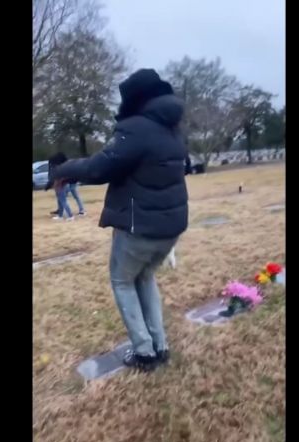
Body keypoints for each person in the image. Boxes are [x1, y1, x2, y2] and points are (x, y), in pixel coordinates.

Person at [52, 68, 188, 372]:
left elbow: (100, 167)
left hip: (140, 226)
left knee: (122, 281)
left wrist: (63, 169)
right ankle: (160, 346)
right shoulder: (173, 129)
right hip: (171, 227)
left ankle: (143, 352)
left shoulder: (137, 128)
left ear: (135, 100)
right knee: (145, 277)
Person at [44, 153, 74, 221]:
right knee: (60, 201)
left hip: (59, 186)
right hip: (65, 185)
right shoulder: (64, 167)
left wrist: (48, 186)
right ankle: (60, 215)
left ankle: (70, 215)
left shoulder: (56, 168)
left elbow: (54, 178)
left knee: (63, 201)